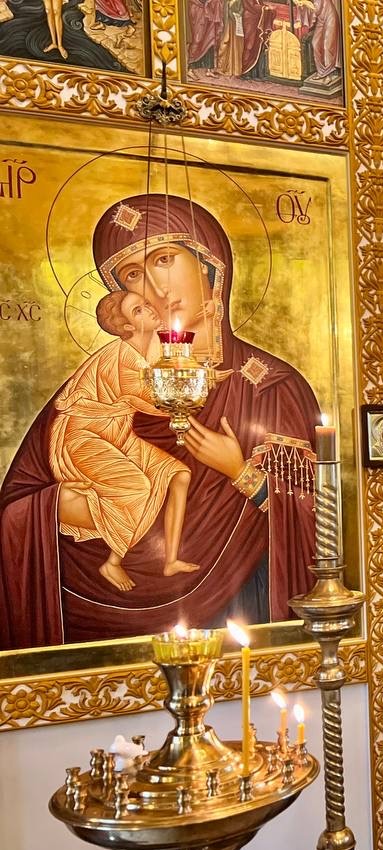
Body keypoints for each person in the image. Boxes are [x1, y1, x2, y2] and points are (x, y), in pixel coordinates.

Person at [0, 193, 322, 649]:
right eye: (133, 274)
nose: (154, 288)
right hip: (96, 646)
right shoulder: (104, 378)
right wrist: (62, 507)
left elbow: (317, 522)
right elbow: (16, 509)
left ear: (209, 264)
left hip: (240, 619)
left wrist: (240, 472)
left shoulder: (271, 387)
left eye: (165, 259)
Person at [49, 290, 198, 593]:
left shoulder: (148, 350)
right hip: (84, 437)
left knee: (179, 475)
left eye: (146, 304)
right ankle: (113, 561)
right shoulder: (120, 358)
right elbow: (157, 402)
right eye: (139, 310)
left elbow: (163, 387)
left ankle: (170, 560)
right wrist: (195, 385)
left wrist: (193, 377)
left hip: (117, 434)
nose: (151, 309)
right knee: (137, 488)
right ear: (127, 326)